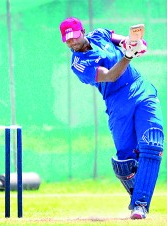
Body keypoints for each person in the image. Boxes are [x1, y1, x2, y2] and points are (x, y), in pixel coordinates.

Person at [59, 17, 164, 220]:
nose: (71, 42)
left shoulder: (100, 34)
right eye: (67, 40)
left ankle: (140, 205)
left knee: (152, 143)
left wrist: (135, 44)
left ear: (82, 31)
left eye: (73, 37)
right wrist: (127, 57)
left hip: (140, 89)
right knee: (125, 161)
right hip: (117, 101)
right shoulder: (79, 63)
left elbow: (125, 41)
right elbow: (110, 76)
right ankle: (137, 196)